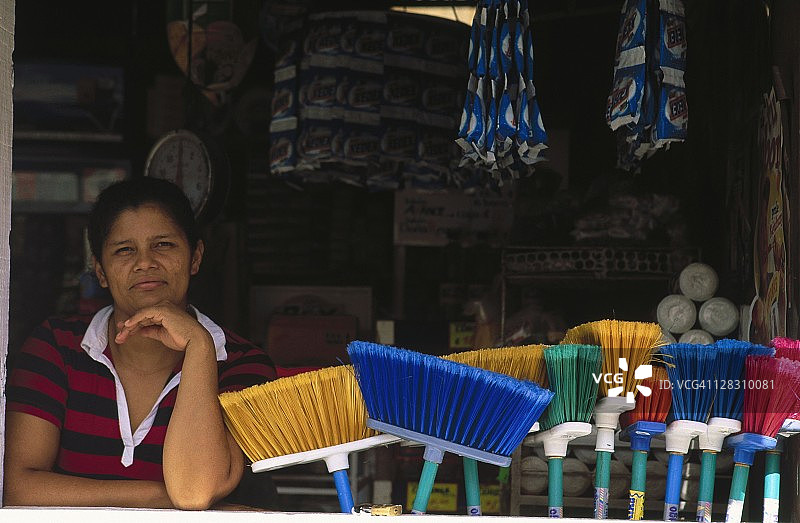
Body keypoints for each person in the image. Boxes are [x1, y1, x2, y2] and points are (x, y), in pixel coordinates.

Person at [4, 177, 276, 509]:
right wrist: (161, 496)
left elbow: (196, 491)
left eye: (164, 245)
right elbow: (18, 489)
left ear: (195, 257)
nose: (145, 263)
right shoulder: (57, 347)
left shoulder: (243, 363)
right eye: (124, 250)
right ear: (100, 271)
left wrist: (199, 347)